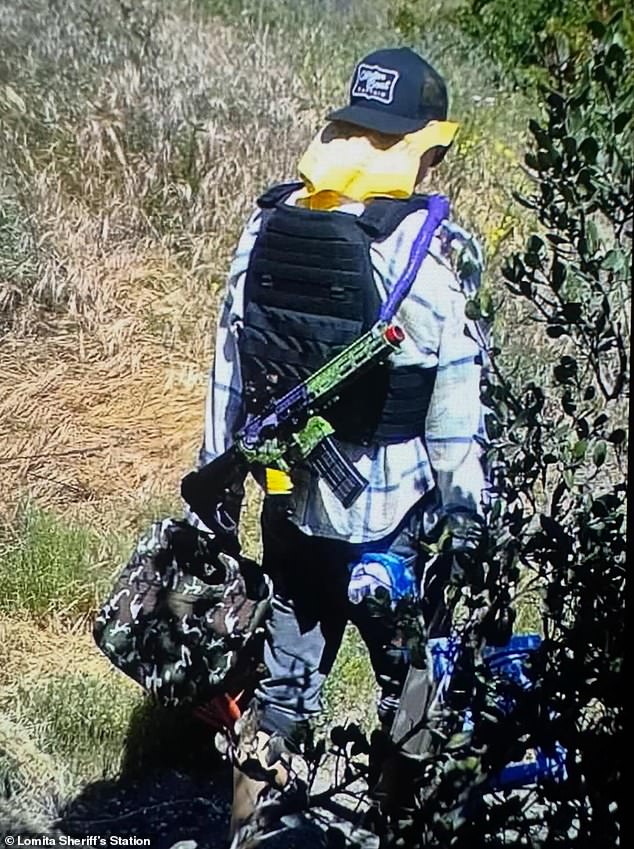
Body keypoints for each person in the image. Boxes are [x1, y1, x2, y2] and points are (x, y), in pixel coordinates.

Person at [187, 47, 488, 845]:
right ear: (423, 149)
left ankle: (244, 833)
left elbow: (230, 362)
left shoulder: (266, 226)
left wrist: (218, 487)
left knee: (282, 692)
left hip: (289, 505)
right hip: (390, 529)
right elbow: (454, 408)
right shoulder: (421, 255)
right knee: (413, 688)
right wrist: (471, 526)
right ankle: (398, 825)